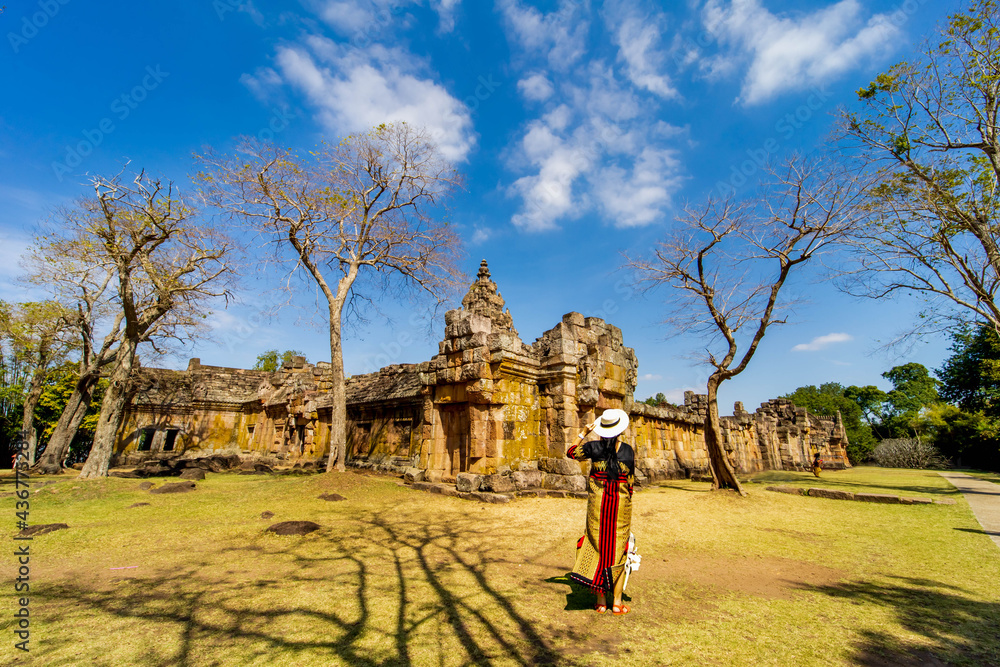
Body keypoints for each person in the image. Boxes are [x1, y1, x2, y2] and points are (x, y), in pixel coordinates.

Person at [566, 408, 635, 616]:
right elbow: (630, 483)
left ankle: (601, 600)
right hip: (620, 508)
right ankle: (617, 602)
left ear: (601, 430)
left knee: (598, 547)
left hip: (597, 507)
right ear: (620, 430)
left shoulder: (592, 448)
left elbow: (571, 453)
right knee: (618, 550)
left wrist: (583, 433)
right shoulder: (628, 451)